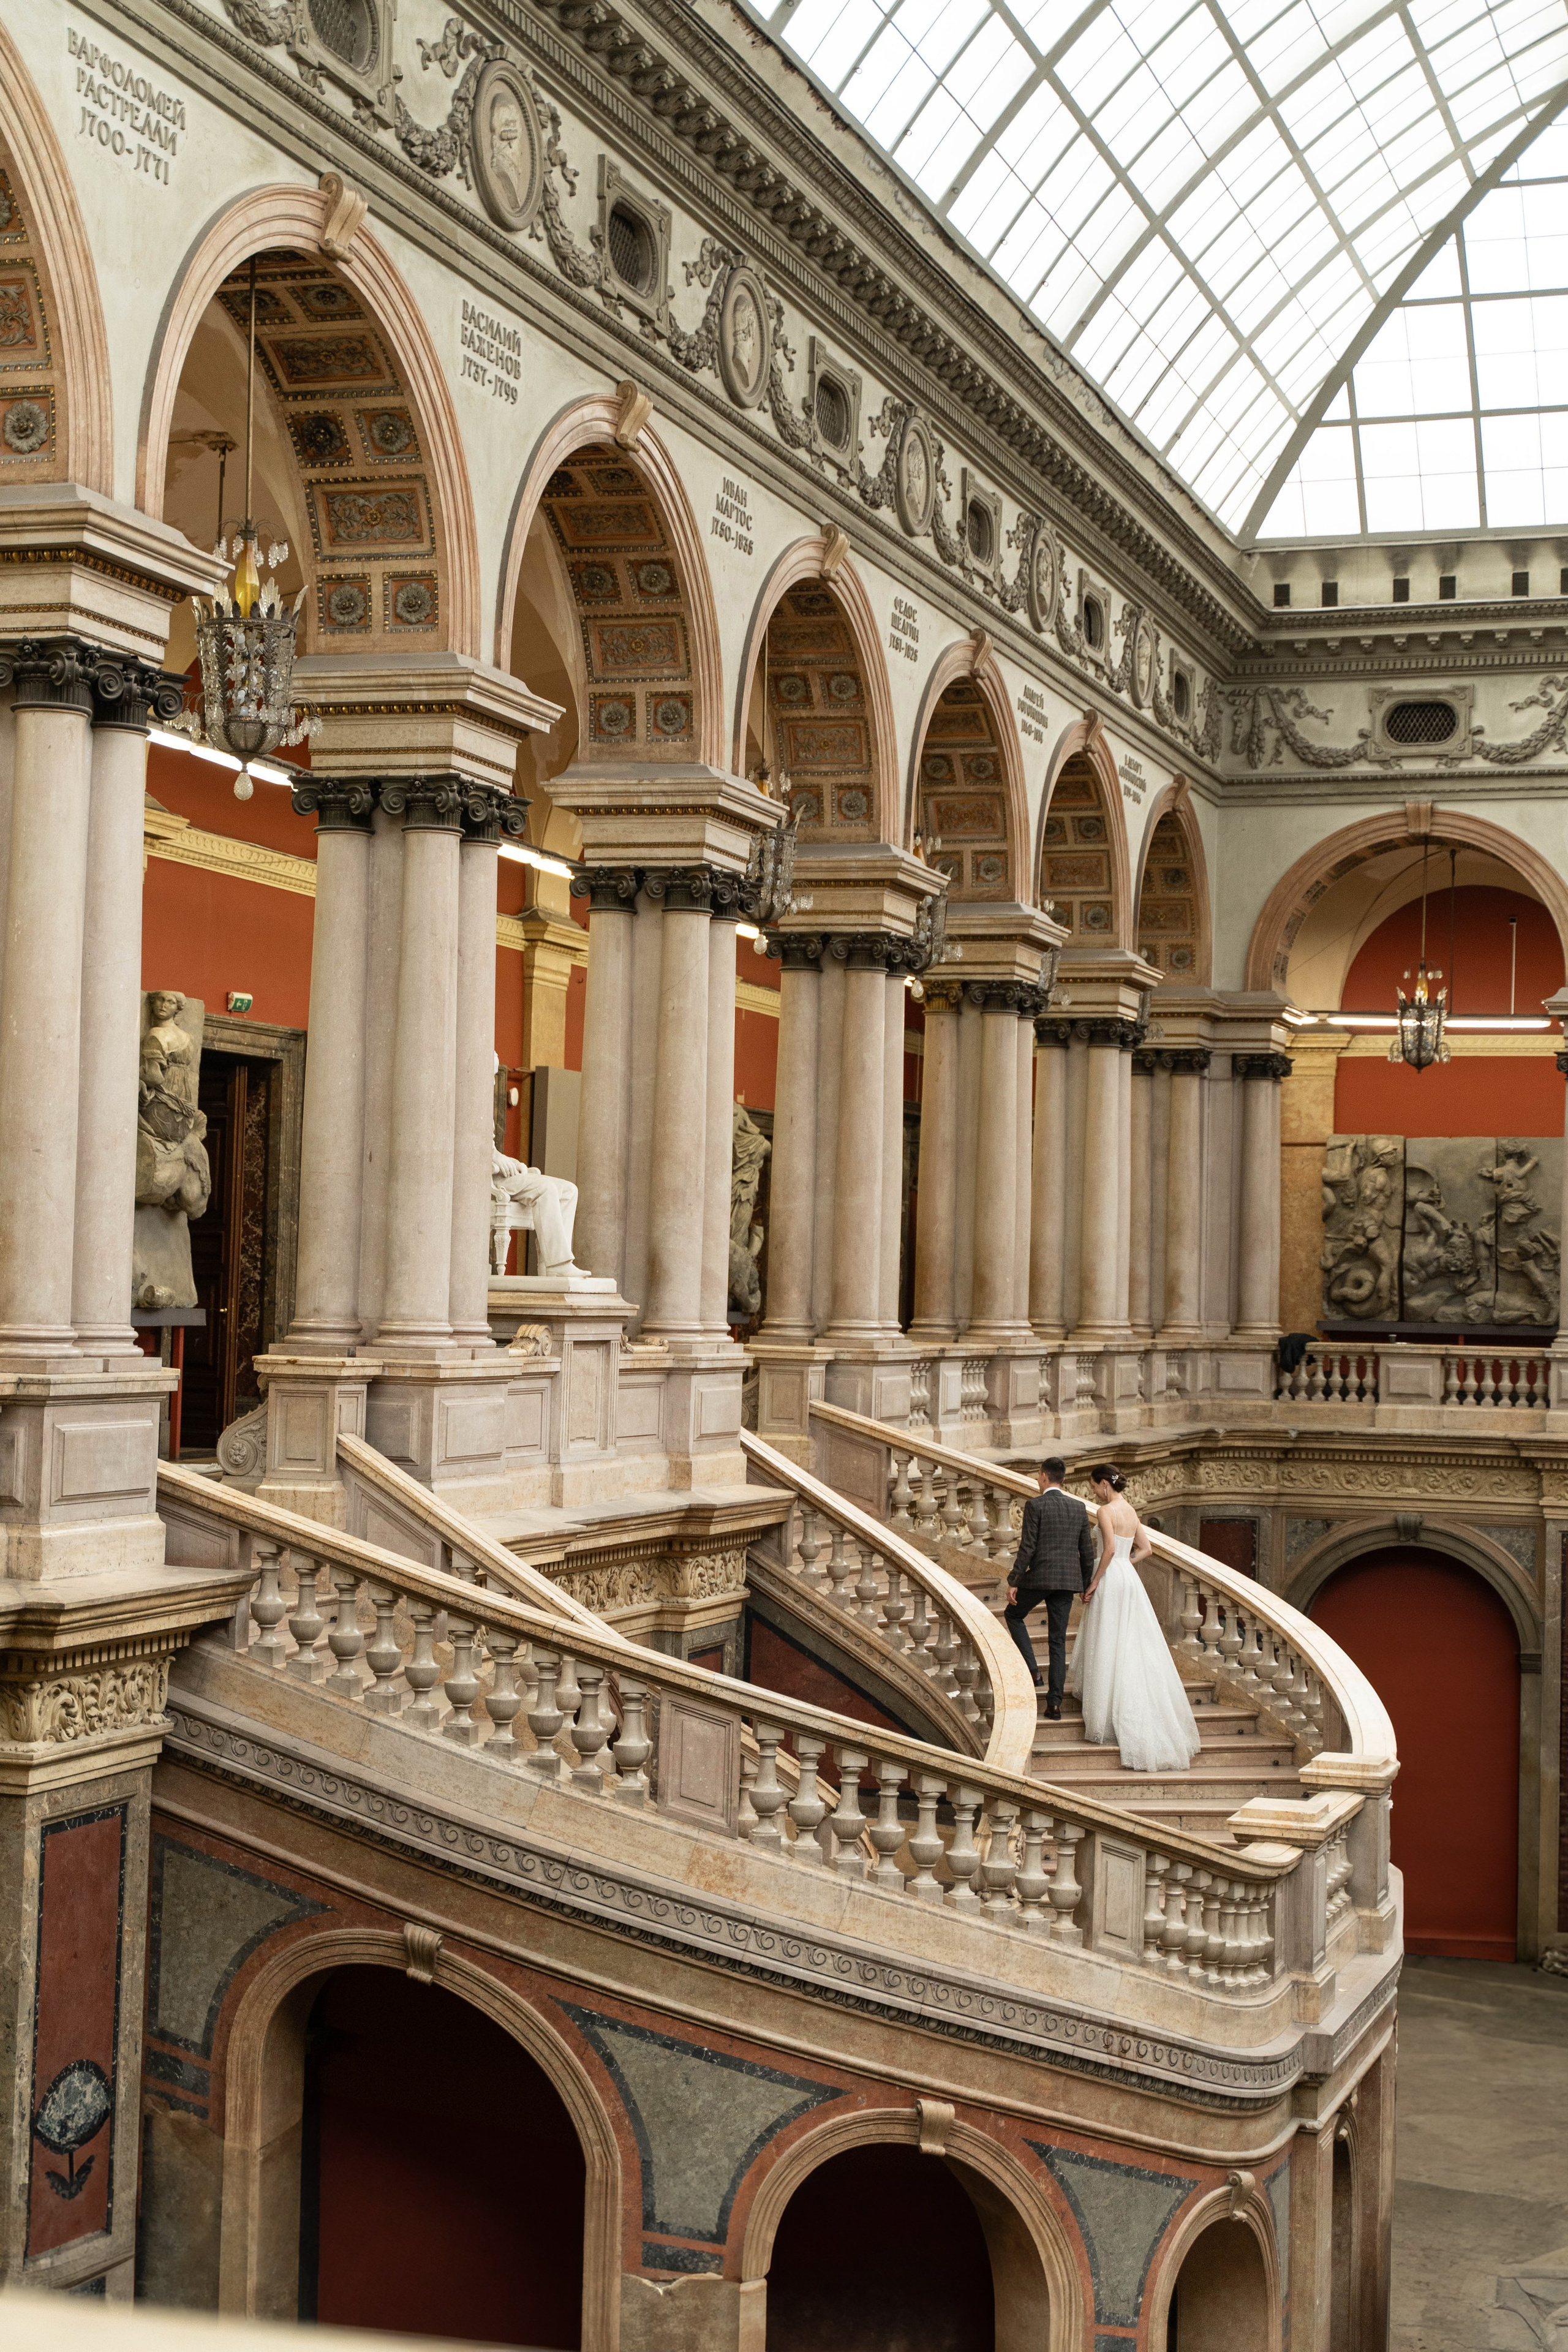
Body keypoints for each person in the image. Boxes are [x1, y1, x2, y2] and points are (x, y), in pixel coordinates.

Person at [1069, 1466, 1200, 1774]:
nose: (1092, 1491)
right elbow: (1147, 1549)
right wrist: (1124, 1566)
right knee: (1129, 1639)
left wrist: (1093, 1582)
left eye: (1093, 1486)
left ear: (1104, 1485)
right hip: (1128, 1579)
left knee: (1108, 1637)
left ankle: (1106, 1713)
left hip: (1111, 1579)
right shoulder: (1130, 1510)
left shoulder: (1105, 1510)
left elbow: (1109, 1549)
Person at [1005, 1457, 1093, 1718]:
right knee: (1058, 1640)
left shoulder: (1035, 1505)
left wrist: (1014, 1580)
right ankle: (1054, 1704)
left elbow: (1028, 1547)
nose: (1037, 1480)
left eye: (1038, 1476)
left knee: (1013, 1615)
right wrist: (1086, 1585)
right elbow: (1087, 1552)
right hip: (1068, 1581)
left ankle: (1033, 1671)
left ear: (1044, 1476)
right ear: (1063, 1478)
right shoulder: (1079, 1508)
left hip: (1041, 1578)